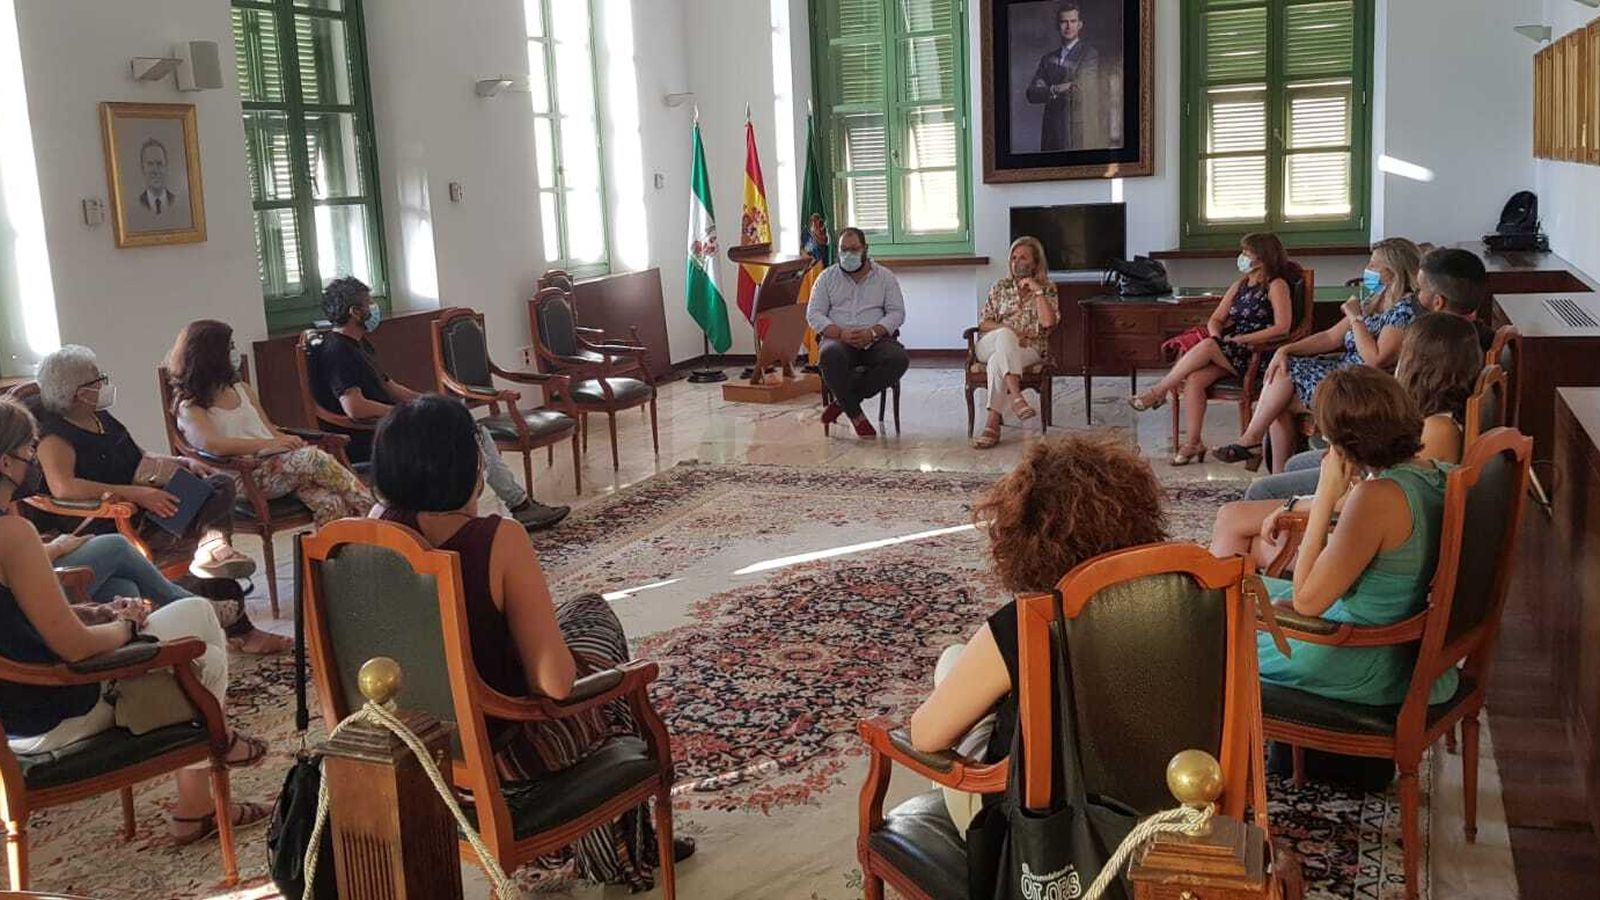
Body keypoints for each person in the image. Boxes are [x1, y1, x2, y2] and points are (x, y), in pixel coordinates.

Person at [369, 395, 694, 889]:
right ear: (469, 465)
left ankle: (612, 843)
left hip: (412, 748)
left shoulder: (369, 534)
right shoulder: (496, 540)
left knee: (580, 612)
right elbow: (556, 684)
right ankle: (620, 848)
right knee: (609, 671)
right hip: (502, 753)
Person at [0, 398, 271, 844]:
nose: (34, 461)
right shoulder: (12, 535)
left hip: (13, 721)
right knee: (198, 624)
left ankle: (203, 782)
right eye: (29, 451)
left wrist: (95, 612)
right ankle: (207, 768)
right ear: (4, 461)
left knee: (162, 618)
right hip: (54, 712)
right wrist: (126, 628)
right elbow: (76, 649)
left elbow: (15, 621)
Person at [907, 434, 1168, 832]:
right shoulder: (1181, 603)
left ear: (1026, 533)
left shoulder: (1024, 623)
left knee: (952, 662)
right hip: (1155, 802)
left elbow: (925, 738)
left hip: (1039, 833)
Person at [1254, 366, 1458, 712]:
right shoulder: (1439, 475)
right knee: (1233, 591)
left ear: (1342, 445)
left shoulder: (1378, 497)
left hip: (1362, 657)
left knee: (1214, 633)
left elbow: (1306, 603)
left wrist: (1325, 491)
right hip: (1407, 647)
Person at [1211, 313, 1482, 568]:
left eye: (1404, 353)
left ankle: (1237, 602)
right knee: (1283, 477)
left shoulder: (1438, 430)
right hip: (1364, 517)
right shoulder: (1436, 419)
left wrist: (1297, 504)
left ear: (1419, 364)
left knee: (1244, 520)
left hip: (1367, 542)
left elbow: (1383, 493)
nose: (1398, 360)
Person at [310, 277, 569, 531]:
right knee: (470, 434)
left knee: (470, 427)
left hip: (391, 427)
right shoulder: (338, 351)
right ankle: (513, 507)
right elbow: (354, 407)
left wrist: (427, 402)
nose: (373, 309)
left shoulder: (359, 345)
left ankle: (512, 505)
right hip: (375, 437)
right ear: (355, 312)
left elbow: (388, 386)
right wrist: (403, 414)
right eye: (368, 304)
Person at [30, 345, 256, 581]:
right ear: (76, 392)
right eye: (98, 379)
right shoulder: (55, 436)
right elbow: (63, 487)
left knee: (219, 483)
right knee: (210, 513)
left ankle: (210, 549)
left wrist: (182, 461)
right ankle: (212, 548)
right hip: (113, 519)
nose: (103, 384)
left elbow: (141, 455)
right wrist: (137, 494)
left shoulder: (100, 417)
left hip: (146, 506)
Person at [1216, 238, 1423, 471]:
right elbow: (1329, 337)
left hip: (1364, 384)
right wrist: (1285, 348)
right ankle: (1274, 471)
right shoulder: (1374, 301)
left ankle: (1256, 446)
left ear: (1393, 272)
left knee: (1279, 393)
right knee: (1282, 378)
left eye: (1374, 266)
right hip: (1345, 371)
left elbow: (1375, 359)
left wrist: (1355, 318)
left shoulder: (1403, 309)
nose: (1368, 270)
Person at [167, 320, 373, 526]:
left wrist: (287, 441)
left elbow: (268, 430)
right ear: (211, 355)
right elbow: (213, 445)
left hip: (274, 466)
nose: (234, 352)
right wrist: (268, 445)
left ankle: (329, 555)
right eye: (229, 347)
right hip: (242, 476)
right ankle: (374, 515)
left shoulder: (242, 389)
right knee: (314, 458)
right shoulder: (190, 406)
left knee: (331, 502)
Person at [1129, 233, 1297, 465]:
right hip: (1231, 349)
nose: (1242, 257)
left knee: (1207, 345)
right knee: (1196, 379)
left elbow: (1283, 326)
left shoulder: (1276, 285)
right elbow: (1216, 319)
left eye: (1247, 253)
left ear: (1262, 257)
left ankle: (1158, 392)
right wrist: (1219, 337)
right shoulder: (1240, 285)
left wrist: (1244, 338)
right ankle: (1194, 442)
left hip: (1258, 352)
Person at [806, 228, 910, 439]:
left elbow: (897, 313)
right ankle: (856, 416)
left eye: (854, 249)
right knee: (829, 356)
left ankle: (844, 402)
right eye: (843, 250)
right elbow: (814, 314)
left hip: (874, 340)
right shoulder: (827, 278)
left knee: (899, 359)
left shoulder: (884, 277)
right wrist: (840, 333)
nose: (848, 255)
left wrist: (873, 332)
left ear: (865, 249)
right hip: (839, 340)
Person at [971, 236, 1060, 449]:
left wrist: (1037, 290)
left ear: (1035, 263)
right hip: (990, 343)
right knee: (1005, 336)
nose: (1016, 262)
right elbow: (984, 322)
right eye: (1013, 257)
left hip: (1029, 348)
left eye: (1023, 258)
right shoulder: (1000, 286)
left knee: (996, 363)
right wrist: (1009, 330)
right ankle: (1017, 396)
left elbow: (1048, 322)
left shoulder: (1047, 288)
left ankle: (992, 424)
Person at [1024, 2, 1101, 151]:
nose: (1068, 26)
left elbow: (1081, 90)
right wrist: (1056, 88)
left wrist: (1047, 90)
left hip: (1074, 132)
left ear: (1080, 25)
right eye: (1064, 22)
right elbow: (1031, 93)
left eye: (1072, 21)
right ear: (1057, 26)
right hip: (1050, 132)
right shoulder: (1047, 59)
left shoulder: (1089, 54)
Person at [1417, 247, 1496, 351]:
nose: (1416, 295)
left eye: (1420, 289)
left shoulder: (1432, 344)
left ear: (1438, 302)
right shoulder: (1482, 333)